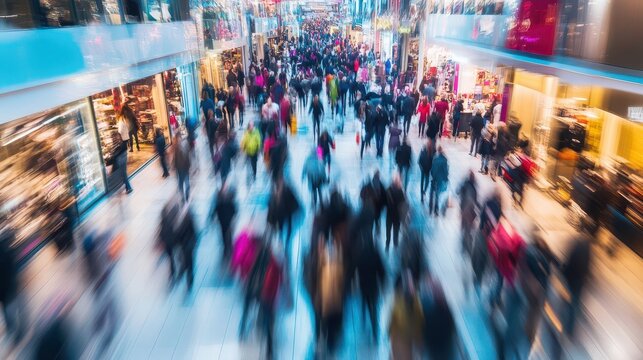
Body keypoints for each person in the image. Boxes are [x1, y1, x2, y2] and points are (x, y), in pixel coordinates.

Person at [0, 223, 25, 345]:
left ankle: (14, 330)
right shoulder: (6, 250)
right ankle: (18, 332)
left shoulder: (5, 250)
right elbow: (12, 267)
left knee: (9, 311)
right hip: (9, 287)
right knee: (16, 309)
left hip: (5, 290)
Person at [211, 183, 237, 260]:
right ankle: (229, 247)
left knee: (224, 234)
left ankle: (227, 247)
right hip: (226, 221)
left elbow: (215, 211)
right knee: (227, 234)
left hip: (223, 221)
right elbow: (234, 210)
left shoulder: (220, 201)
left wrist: (213, 218)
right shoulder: (226, 200)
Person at [176, 202, 197, 291]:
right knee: (188, 263)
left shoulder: (187, 220)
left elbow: (191, 233)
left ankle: (189, 279)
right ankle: (188, 278)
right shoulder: (185, 219)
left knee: (188, 263)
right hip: (186, 246)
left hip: (187, 246)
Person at [385, 175, 407, 251]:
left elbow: (384, 202)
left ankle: (387, 244)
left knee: (388, 230)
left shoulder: (388, 190)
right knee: (396, 231)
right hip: (397, 215)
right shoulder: (401, 192)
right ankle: (395, 244)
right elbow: (404, 204)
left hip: (389, 215)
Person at [429, 146, 449, 216]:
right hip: (440, 180)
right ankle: (436, 210)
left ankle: (430, 208)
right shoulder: (445, 160)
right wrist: (446, 178)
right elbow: (446, 171)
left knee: (431, 193)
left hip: (434, 179)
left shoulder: (435, 159)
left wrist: (433, 176)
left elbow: (432, 169)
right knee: (437, 195)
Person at [173, 132, 191, 201]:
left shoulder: (182, 145)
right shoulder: (176, 147)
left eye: (177, 138)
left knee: (185, 182)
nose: (177, 140)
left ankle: (186, 194)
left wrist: (188, 165)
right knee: (181, 182)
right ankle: (183, 195)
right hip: (179, 168)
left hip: (184, 167)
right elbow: (175, 158)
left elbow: (187, 156)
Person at [418, 139, 435, 203]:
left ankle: (423, 192)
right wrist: (421, 167)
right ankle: (422, 194)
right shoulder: (424, 151)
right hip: (425, 169)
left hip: (426, 169)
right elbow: (419, 160)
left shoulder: (431, 152)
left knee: (425, 182)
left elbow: (432, 161)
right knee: (424, 182)